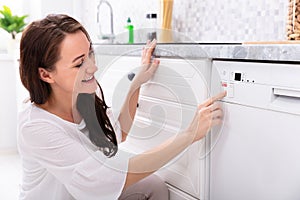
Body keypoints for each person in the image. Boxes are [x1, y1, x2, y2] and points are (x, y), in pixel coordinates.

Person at [17, 14, 226, 200]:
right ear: (46, 74)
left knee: (153, 186)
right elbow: (106, 178)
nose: (93, 67)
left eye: (90, 54)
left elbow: (118, 133)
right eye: (79, 63)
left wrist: (137, 83)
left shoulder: (84, 96)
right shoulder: (35, 127)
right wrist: (188, 135)